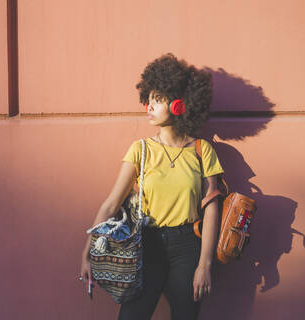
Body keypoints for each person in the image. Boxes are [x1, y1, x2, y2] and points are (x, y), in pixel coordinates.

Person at [80, 53, 224, 320]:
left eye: (158, 100)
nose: (149, 106)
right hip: (147, 245)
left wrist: (204, 265)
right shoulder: (141, 149)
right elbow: (111, 204)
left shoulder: (203, 151)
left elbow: (212, 209)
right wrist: (87, 252)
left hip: (188, 247)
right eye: (149, 99)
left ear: (180, 103)